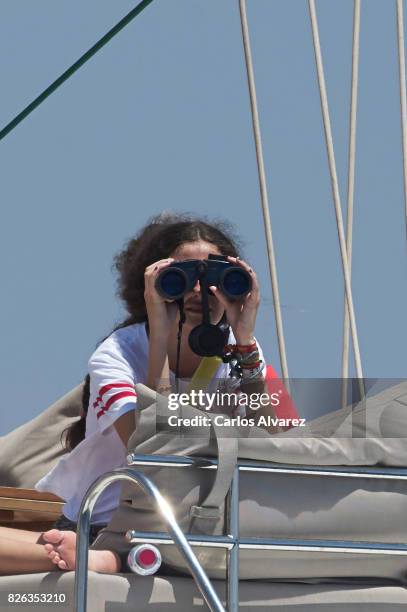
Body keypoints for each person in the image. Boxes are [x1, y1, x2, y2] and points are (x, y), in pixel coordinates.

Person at [0, 212, 280, 576]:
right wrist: (160, 337)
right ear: (155, 286)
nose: (199, 291)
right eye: (182, 277)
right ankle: (111, 558)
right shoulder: (117, 355)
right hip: (105, 525)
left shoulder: (242, 353)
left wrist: (244, 340)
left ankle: (111, 562)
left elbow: (280, 446)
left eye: (214, 277)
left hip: (199, 525)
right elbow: (152, 451)